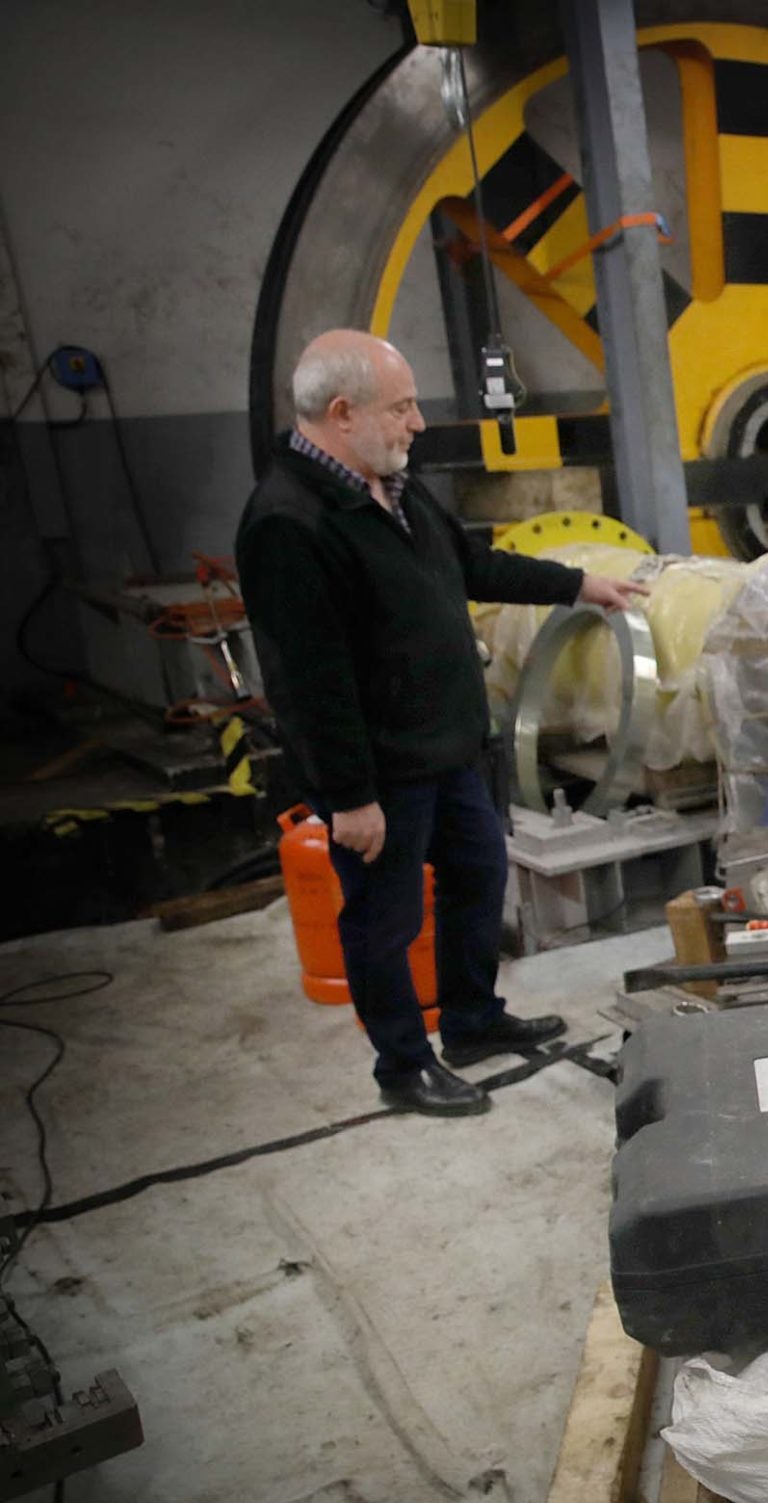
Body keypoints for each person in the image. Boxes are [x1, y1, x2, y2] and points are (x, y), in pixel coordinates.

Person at [236, 330, 642, 1117]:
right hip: (381, 770)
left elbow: (474, 566)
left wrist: (578, 584)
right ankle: (402, 1062)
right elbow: (307, 680)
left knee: (478, 878)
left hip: (450, 747)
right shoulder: (289, 522)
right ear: (343, 413)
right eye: (402, 407)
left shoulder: (394, 489)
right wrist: (349, 796)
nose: (417, 422)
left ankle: (472, 1019)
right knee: (383, 920)